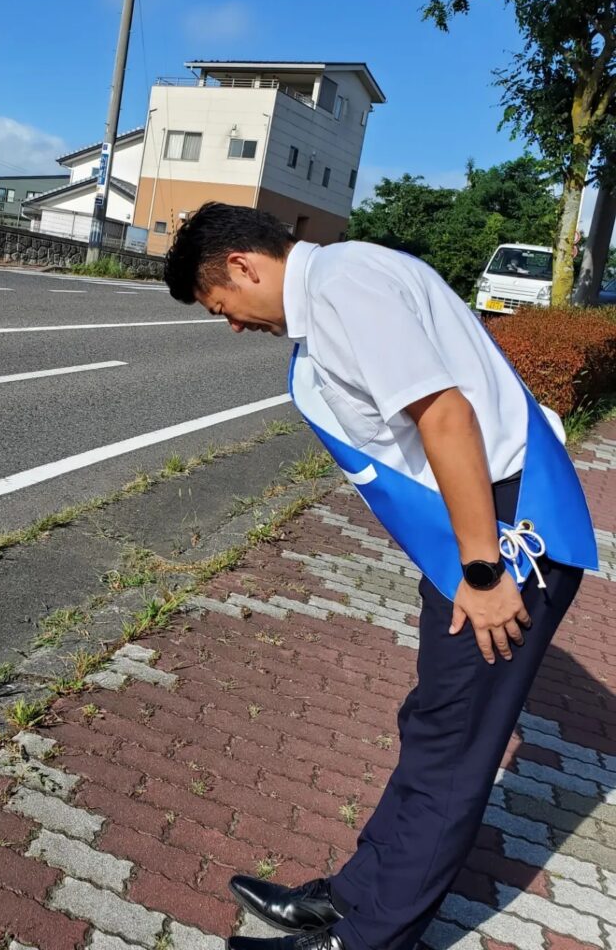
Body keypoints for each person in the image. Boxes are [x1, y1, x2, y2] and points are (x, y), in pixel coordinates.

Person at [162, 203, 597, 950]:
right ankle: (356, 897)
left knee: (451, 752)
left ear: (241, 264)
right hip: (479, 523)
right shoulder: (344, 279)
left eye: (220, 307)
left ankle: (369, 939)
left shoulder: (343, 287)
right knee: (434, 728)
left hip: (503, 533)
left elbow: (446, 417)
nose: (232, 324)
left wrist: (485, 569)